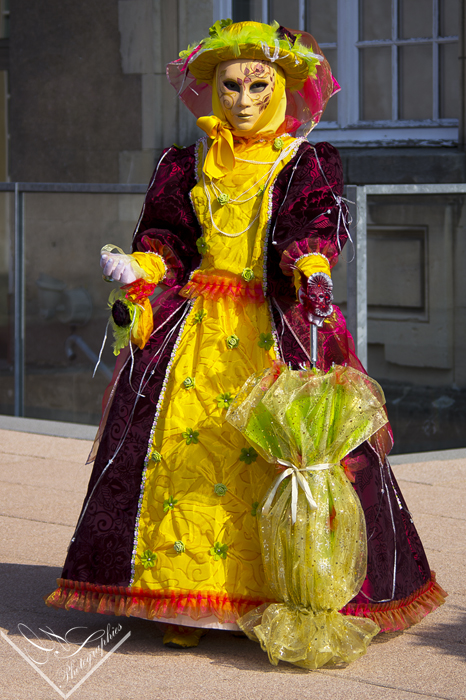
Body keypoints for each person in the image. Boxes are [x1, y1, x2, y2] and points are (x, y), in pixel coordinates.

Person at [46, 20, 446, 650]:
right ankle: (182, 602)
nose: (243, 98)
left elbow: (315, 221)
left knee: (288, 454)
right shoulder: (185, 162)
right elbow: (171, 238)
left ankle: (298, 591)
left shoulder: (306, 161)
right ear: (212, 90)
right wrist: (143, 265)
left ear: (284, 87)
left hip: (275, 326)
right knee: (181, 458)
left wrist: (311, 263)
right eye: (229, 86)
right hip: (195, 329)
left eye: (259, 85)